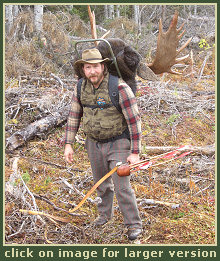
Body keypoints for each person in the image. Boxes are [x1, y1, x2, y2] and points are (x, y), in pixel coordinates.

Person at [64, 48, 142, 240]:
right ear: (83, 69)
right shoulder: (80, 87)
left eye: (96, 67)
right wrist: (68, 144)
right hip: (93, 144)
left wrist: (135, 152)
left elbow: (134, 121)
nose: (92, 71)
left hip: (118, 143)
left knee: (122, 187)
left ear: (103, 66)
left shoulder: (120, 88)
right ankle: (104, 215)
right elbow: (74, 115)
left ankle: (133, 224)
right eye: (88, 67)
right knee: (101, 183)